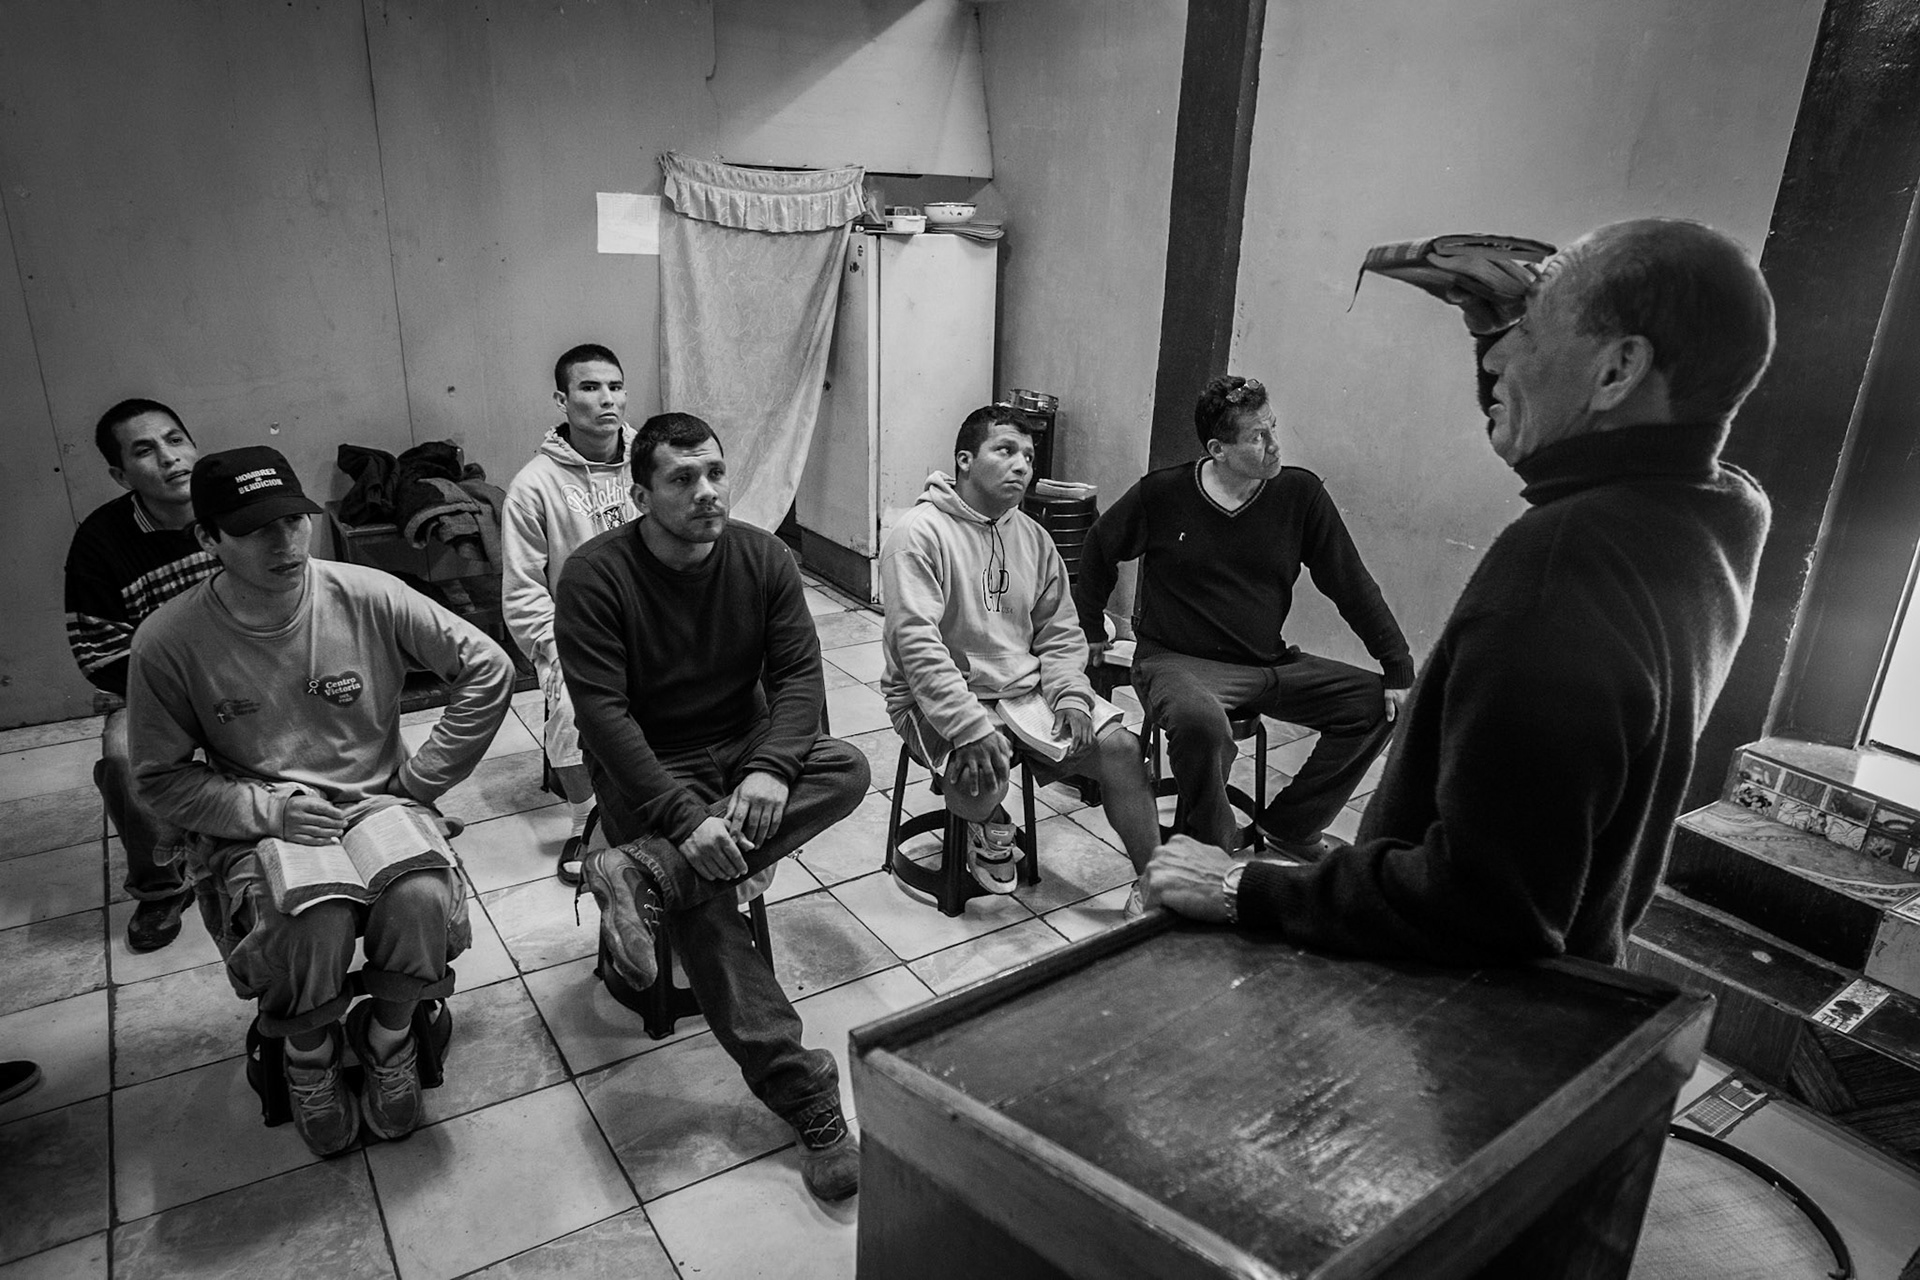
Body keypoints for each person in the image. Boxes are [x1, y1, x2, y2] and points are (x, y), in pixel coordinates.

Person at [1144, 218, 1775, 967]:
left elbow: (1482, 905)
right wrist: (1500, 333)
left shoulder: (1560, 561)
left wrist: (1243, 886)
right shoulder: (1719, 510)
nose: (1499, 357)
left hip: (1460, 1001)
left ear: (1617, 371)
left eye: (1530, 334)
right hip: (1582, 959)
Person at [128, 446, 512, 1156]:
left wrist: (421, 783)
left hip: (377, 801)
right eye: (254, 530)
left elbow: (488, 666)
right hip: (265, 817)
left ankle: (388, 1038)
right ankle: (308, 1060)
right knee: (312, 918)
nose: (285, 542)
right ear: (208, 539)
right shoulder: (170, 641)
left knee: (421, 896)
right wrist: (264, 812)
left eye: (294, 521)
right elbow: (158, 777)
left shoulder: (364, 592)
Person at [556, 412, 870, 1202]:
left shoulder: (761, 556)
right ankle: (807, 1099)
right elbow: (603, 716)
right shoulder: (597, 576)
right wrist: (685, 821)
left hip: (737, 748)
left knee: (847, 766)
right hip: (649, 767)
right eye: (682, 479)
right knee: (707, 913)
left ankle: (644, 877)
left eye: (715, 474)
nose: (706, 493)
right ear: (640, 493)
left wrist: (768, 769)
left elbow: (799, 676)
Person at [1075, 376, 1415, 858]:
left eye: (1273, 427)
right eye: (1258, 437)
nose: (1276, 445)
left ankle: (1291, 827)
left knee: (1376, 704)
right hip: (1175, 661)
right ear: (1218, 448)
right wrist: (1090, 628)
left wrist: (1397, 665)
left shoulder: (1300, 495)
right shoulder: (1163, 494)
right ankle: (1216, 846)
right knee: (1200, 723)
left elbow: (1351, 584)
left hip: (1266, 663)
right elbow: (1099, 547)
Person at [879, 404, 1162, 909]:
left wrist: (1073, 695)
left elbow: (1059, 631)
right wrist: (969, 725)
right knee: (983, 767)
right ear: (965, 460)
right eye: (1005, 450)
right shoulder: (917, 534)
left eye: (1029, 457)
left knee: (1121, 749)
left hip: (1024, 691)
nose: (1022, 466)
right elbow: (917, 647)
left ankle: (1157, 882)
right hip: (934, 699)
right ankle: (988, 821)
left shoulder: (1033, 537)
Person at [64, 399, 220, 952]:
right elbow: (99, 656)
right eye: (145, 450)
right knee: (125, 754)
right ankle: (160, 887)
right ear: (120, 473)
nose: (170, 459)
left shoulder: (233, 505)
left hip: (258, 670)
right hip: (154, 692)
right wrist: (193, 688)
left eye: (176, 440)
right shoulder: (101, 542)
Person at [503, 343, 639, 884]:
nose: (606, 399)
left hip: (656, 620)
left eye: (614, 386)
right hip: (578, 633)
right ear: (562, 399)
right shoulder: (534, 485)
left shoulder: (653, 461)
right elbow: (522, 592)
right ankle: (588, 818)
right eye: (589, 388)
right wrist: (557, 647)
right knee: (572, 707)